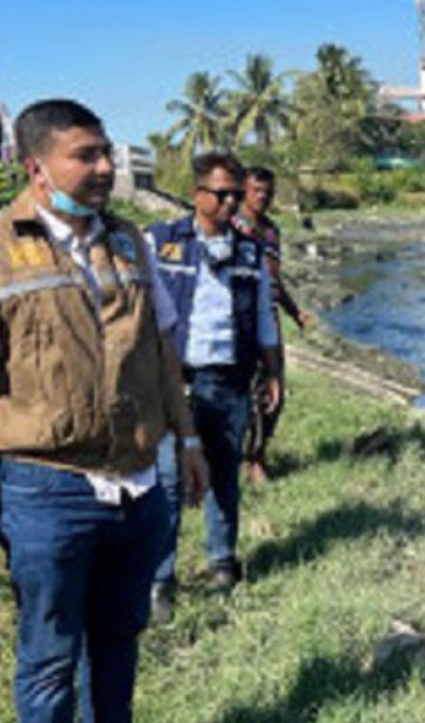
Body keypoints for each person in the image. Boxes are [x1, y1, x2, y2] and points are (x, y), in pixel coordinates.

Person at [0, 98, 208, 723]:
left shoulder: (132, 245)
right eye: (86, 156)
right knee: (50, 651)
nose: (106, 168)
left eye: (107, 152)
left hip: (138, 480)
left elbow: (163, 350)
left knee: (120, 630)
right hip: (44, 485)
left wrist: (188, 438)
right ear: (35, 167)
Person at [148, 152, 282, 618]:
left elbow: (264, 317)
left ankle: (222, 560)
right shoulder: (161, 243)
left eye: (235, 194)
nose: (230, 202)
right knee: (166, 481)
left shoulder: (250, 252)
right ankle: (160, 580)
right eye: (220, 193)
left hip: (229, 380)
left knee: (224, 472)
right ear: (197, 194)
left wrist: (273, 371)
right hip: (173, 382)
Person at [232, 166, 312, 485]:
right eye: (256, 190)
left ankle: (257, 457)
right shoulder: (231, 225)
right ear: (243, 191)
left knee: (274, 389)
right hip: (238, 318)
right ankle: (227, 457)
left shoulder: (271, 231)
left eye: (268, 191)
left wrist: (295, 313)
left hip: (269, 316)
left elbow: (274, 280)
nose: (262, 196)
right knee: (235, 389)